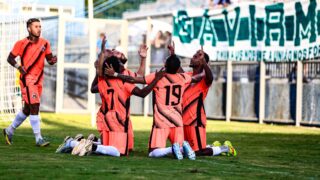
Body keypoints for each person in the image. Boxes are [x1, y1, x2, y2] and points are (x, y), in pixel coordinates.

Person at [106, 45, 200, 160]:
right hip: (177, 120)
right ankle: (181, 147)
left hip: (162, 121)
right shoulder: (183, 77)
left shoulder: (158, 77)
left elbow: (134, 79)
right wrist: (203, 65)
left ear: (165, 66)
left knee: (152, 152)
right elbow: (197, 78)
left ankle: (173, 148)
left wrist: (115, 74)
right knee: (177, 148)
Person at [89, 55, 165, 156]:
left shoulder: (102, 83)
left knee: (109, 147)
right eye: (119, 63)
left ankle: (75, 143)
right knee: (121, 153)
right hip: (119, 119)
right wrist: (156, 79)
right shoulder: (124, 83)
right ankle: (92, 146)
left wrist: (98, 72)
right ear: (113, 68)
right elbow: (142, 93)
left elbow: (93, 89)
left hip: (107, 118)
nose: (122, 65)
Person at [3, 18, 57, 147]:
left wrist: (53, 60)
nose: (39, 29)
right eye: (36, 26)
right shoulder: (21, 43)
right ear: (29, 28)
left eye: (40, 26)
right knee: (35, 106)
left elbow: (49, 59)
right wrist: (19, 67)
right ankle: (38, 139)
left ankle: (9, 130)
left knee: (27, 109)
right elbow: (10, 58)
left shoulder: (45, 43)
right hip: (28, 80)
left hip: (39, 80)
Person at [94, 36, 148, 152]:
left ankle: (93, 142)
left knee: (128, 147)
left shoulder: (125, 73)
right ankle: (91, 143)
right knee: (116, 150)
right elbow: (95, 84)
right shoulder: (105, 72)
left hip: (123, 116)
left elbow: (139, 76)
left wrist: (143, 59)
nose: (119, 52)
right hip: (106, 114)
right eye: (116, 52)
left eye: (119, 52)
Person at [182, 49, 237, 157]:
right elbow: (178, 74)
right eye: (194, 55)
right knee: (185, 150)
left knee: (197, 152)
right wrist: (173, 55)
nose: (193, 57)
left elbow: (210, 78)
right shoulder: (188, 75)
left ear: (202, 62)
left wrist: (205, 64)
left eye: (197, 56)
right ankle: (212, 146)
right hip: (183, 120)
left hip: (195, 121)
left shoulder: (204, 79)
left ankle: (225, 148)